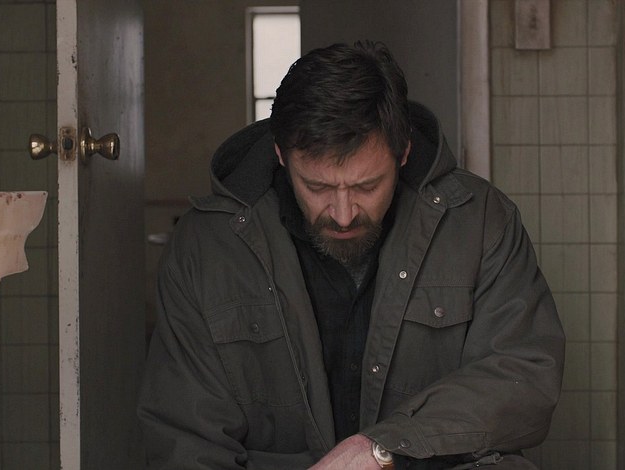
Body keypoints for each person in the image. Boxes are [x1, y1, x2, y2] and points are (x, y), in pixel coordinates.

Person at [137, 41, 565, 470]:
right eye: (318, 187)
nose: (343, 215)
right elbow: (185, 438)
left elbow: (523, 377)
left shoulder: (480, 220)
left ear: (403, 152)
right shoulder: (205, 246)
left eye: (366, 186)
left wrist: (384, 450)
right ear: (281, 154)